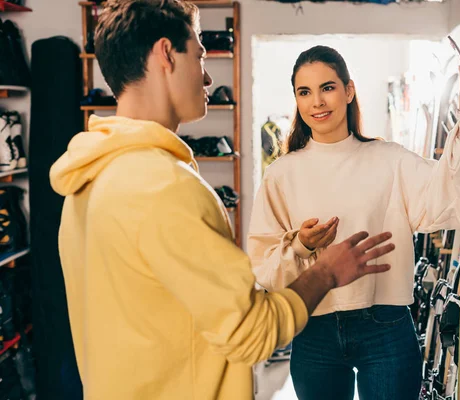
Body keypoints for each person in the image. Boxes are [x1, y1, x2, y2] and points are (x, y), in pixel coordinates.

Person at [48, 2, 396, 399]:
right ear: (166, 54)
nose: (208, 74)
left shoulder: (86, 180)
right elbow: (253, 332)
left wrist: (297, 248)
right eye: (199, 55)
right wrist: (326, 272)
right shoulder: (163, 188)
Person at [247, 45, 460, 399]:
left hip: (386, 326)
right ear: (297, 100)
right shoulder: (281, 174)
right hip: (314, 329)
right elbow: (263, 269)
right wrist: (302, 246)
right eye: (305, 92)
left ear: (348, 91)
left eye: (327, 88)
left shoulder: (389, 160)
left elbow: (454, 196)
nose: (317, 102)